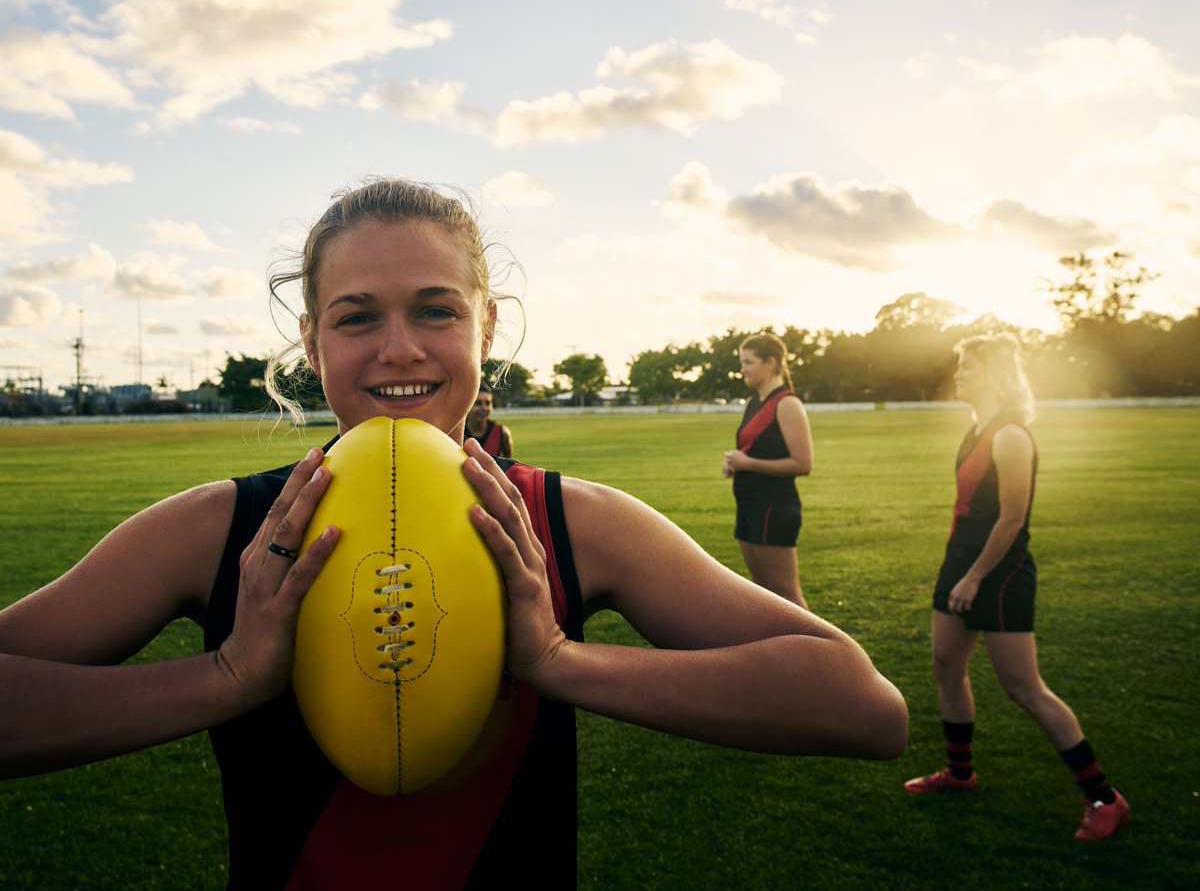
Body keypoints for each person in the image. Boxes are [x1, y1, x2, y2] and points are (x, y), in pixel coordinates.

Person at [0, 179, 907, 887]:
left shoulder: (568, 521)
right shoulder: (225, 529)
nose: (400, 348)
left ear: (488, 328)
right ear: (312, 342)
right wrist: (226, 675)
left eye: (436, 309)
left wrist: (556, 659)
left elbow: (865, 709)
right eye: (357, 317)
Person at [903, 333, 1129, 842]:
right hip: (959, 563)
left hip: (998, 573)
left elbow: (1011, 521)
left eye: (967, 365)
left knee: (1024, 689)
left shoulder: (1010, 435)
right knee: (945, 665)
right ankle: (960, 773)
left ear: (994, 373)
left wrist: (975, 577)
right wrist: (959, 570)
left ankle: (1105, 799)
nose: (958, 373)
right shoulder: (977, 426)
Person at [723, 332, 814, 608]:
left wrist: (748, 464)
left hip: (774, 507)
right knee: (764, 593)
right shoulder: (753, 403)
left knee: (787, 594)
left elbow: (803, 464)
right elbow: (755, 449)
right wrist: (734, 463)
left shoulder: (787, 403)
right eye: (742, 362)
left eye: (749, 362)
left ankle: (817, 649)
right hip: (748, 503)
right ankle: (782, 651)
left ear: (771, 363)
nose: (743, 369)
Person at [465, 381, 514, 457]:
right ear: (469, 404)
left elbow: (508, 464)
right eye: (478, 403)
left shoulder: (502, 432)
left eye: (487, 403)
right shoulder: (458, 432)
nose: (484, 408)